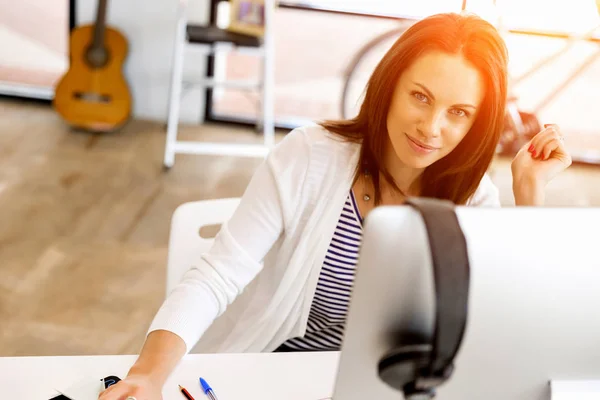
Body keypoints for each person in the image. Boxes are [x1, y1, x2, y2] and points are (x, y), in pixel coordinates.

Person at [99, 11, 571, 400]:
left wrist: (529, 194)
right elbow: (219, 273)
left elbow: (504, 328)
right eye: (420, 97)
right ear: (390, 85)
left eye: (458, 113)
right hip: (276, 376)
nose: (431, 127)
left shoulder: (474, 203)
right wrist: (148, 373)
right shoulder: (310, 154)